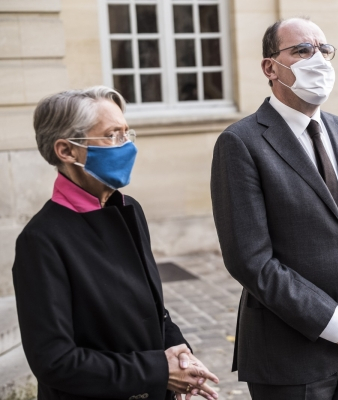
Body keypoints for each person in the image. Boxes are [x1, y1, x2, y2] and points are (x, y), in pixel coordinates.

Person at [210, 18, 338, 400]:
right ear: (270, 67)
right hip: (291, 357)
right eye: (302, 51)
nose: (318, 60)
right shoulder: (241, 143)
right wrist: (335, 322)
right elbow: (250, 260)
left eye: (324, 50)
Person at [12, 87, 219, 400]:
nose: (127, 146)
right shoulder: (41, 240)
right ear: (67, 151)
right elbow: (54, 361)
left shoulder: (129, 209)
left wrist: (180, 355)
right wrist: (159, 372)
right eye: (112, 135)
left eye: (127, 133)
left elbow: (153, 311)